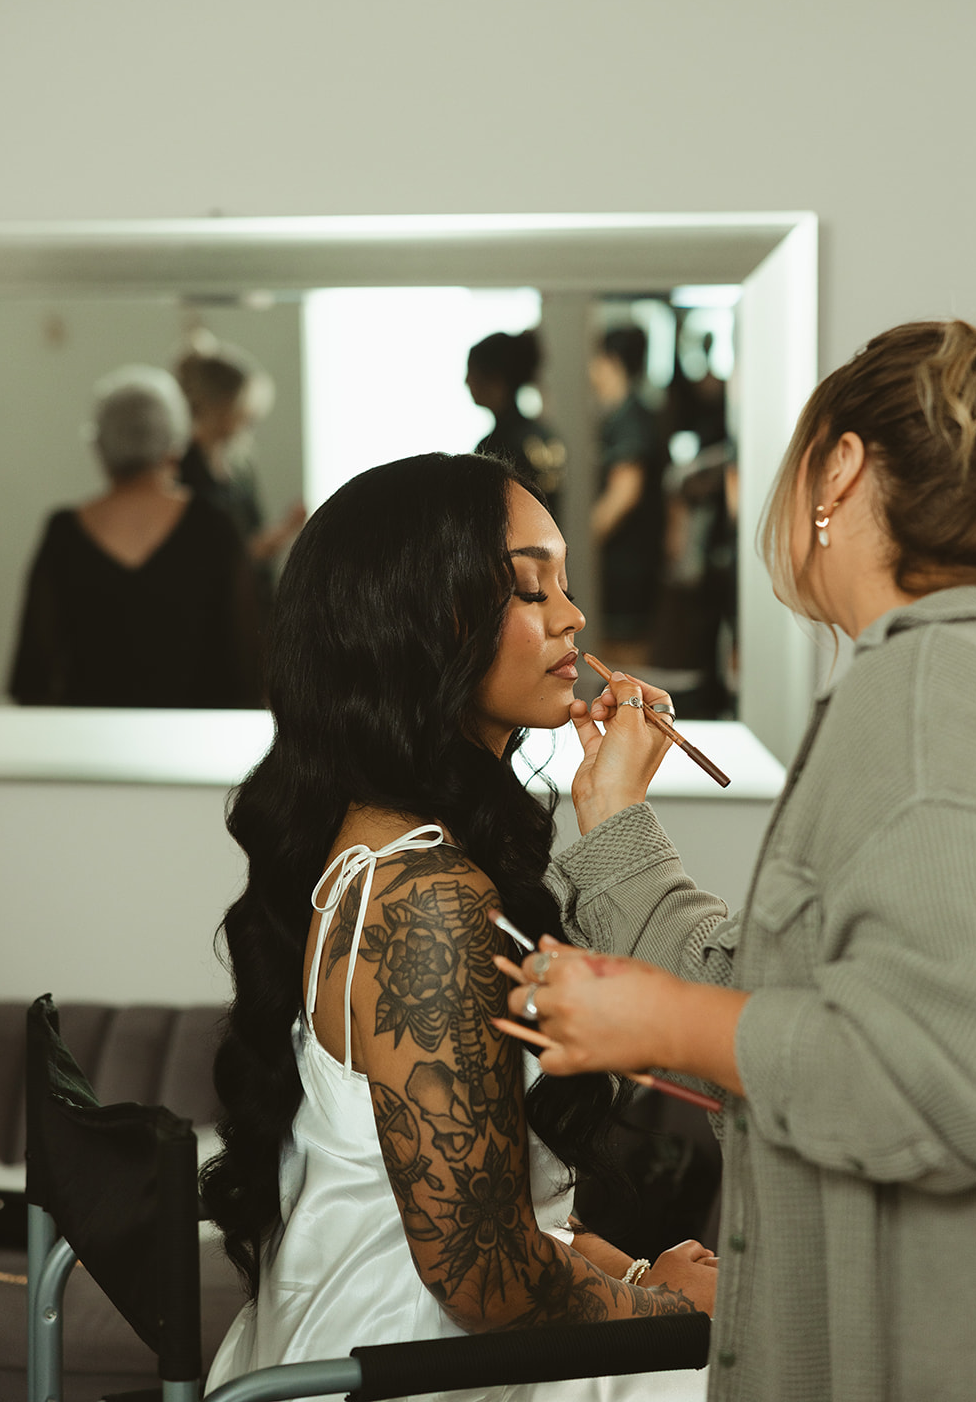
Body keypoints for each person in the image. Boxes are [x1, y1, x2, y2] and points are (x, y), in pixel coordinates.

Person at [500, 279, 976, 1401]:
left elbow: (963, 1077)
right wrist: (612, 816)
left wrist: (655, 1019)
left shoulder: (930, 696)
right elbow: (797, 991)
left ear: (840, 470)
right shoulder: (960, 677)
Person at [201, 453, 716, 1402]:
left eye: (563, 581)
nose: (572, 618)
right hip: (411, 1365)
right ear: (422, 622)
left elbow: (496, 1203)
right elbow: (485, 1276)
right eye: (529, 589)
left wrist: (637, 1272)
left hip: (411, 1334)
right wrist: (686, 1316)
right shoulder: (425, 900)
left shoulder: (390, 839)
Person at [8, 365, 261, 707]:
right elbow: (248, 662)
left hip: (86, 748)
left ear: (99, 446)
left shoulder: (63, 533)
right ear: (175, 444)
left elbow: (31, 675)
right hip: (199, 748)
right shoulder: (214, 527)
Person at [175, 338, 306, 618]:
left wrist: (280, 535)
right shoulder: (183, 471)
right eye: (244, 408)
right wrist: (271, 541)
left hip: (249, 607)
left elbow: (248, 542)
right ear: (222, 406)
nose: (251, 417)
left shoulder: (239, 468)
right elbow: (200, 561)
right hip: (211, 613)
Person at [588, 326, 664, 658]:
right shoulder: (620, 416)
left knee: (622, 661)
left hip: (626, 569)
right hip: (623, 567)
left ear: (610, 361)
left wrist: (574, 546)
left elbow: (624, 495)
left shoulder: (630, 420)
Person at [466, 328, 567, 517]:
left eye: (472, 373)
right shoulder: (547, 436)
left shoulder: (495, 447)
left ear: (495, 380)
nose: (466, 382)